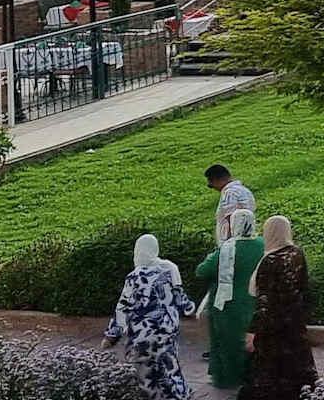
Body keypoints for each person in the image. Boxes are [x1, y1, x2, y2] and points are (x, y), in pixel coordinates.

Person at [102, 234, 195, 400]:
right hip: (167, 332)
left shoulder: (134, 276)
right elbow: (182, 300)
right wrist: (191, 310)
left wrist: (111, 335)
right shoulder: (168, 271)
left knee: (144, 373)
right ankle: (178, 395)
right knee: (169, 367)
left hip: (142, 335)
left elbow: (123, 308)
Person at [242, 214, 317, 400]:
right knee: (296, 370)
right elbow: (304, 287)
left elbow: (265, 302)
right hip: (294, 321)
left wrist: (253, 331)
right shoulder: (297, 253)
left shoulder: (269, 261)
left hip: (273, 327)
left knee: (270, 376)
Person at [192, 201, 266, 388]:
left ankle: (228, 379)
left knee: (228, 342)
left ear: (234, 225)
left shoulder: (228, 248)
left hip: (228, 304)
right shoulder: (262, 244)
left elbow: (202, 271)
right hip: (256, 301)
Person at [206, 164, 255, 240]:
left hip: (233, 241)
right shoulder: (245, 190)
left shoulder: (229, 193)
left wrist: (229, 242)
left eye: (211, 185)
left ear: (215, 180)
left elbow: (231, 218)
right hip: (247, 237)